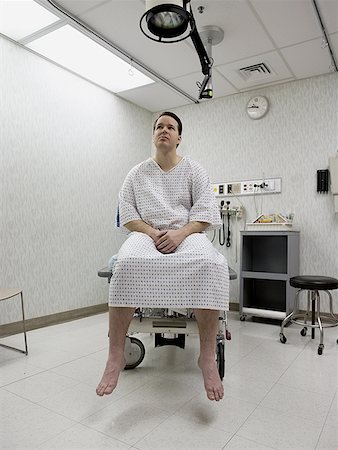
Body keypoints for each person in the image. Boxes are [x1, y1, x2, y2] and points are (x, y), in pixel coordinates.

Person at [96, 112, 229, 401]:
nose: (164, 130)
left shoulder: (195, 171)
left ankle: (206, 357)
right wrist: (153, 233)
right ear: (153, 135)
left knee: (209, 263)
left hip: (188, 234)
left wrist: (180, 234)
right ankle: (115, 356)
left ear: (179, 137)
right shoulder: (136, 173)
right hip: (145, 234)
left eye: (170, 127)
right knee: (127, 263)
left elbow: (205, 214)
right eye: (159, 126)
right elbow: (128, 216)